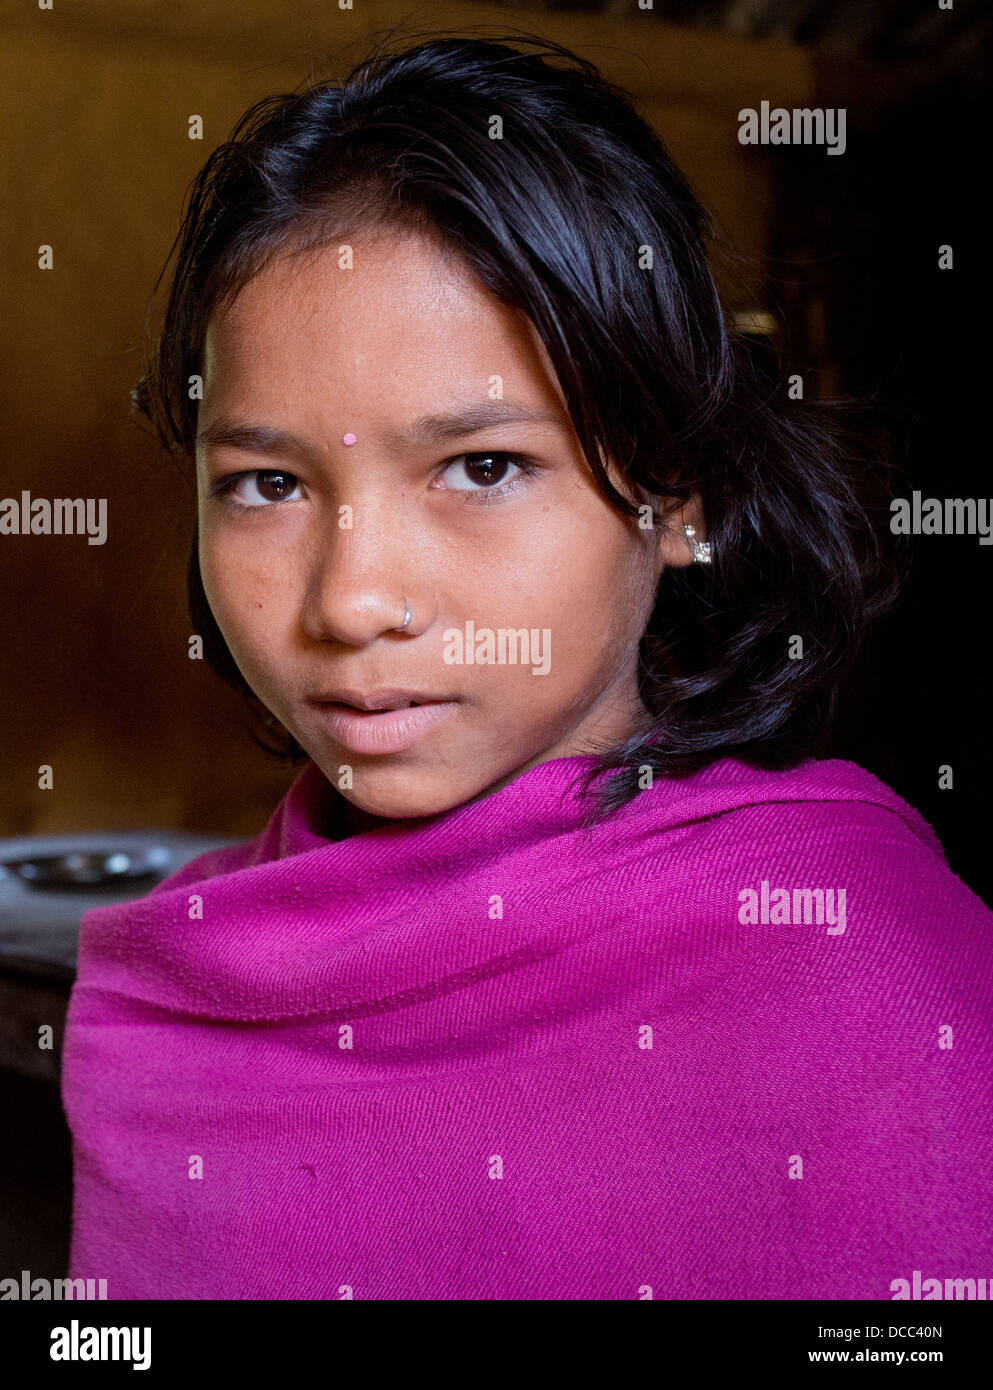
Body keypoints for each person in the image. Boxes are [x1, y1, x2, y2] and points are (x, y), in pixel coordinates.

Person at [61, 33, 993, 1300]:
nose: (352, 600)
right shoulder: (176, 999)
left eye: (483, 467)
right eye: (267, 483)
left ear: (683, 493)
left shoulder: (861, 971)